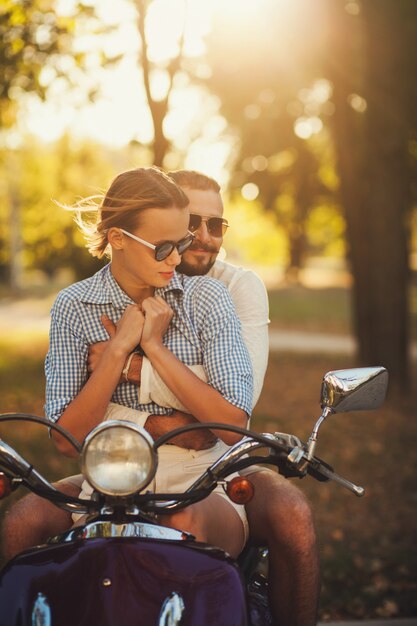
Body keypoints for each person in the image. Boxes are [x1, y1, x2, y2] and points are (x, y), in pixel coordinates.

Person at [2, 169, 319, 626]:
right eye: (165, 247)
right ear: (118, 237)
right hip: (104, 480)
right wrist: (116, 351)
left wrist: (151, 347)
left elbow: (231, 421)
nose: (178, 257)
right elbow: (68, 440)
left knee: (176, 529)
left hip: (200, 474)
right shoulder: (73, 306)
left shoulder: (208, 298)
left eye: (182, 242)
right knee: (19, 524)